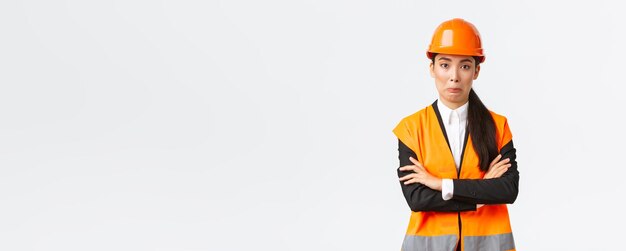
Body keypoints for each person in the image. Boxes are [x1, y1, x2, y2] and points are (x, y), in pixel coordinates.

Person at [392, 18, 519, 251]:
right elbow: (417, 199)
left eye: (465, 66)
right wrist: (482, 194)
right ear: (431, 68)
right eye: (444, 65)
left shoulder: (498, 126)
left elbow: (508, 190)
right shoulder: (411, 128)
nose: (454, 76)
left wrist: (440, 184)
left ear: (476, 71)